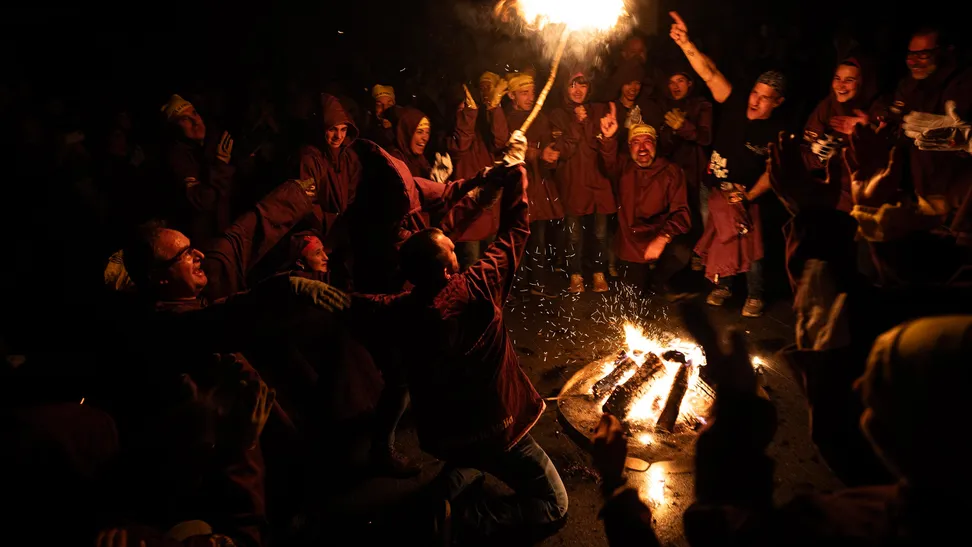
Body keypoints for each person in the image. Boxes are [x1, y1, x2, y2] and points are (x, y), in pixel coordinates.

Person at [350, 159, 568, 544]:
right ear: (449, 269)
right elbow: (516, 229)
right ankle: (467, 521)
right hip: (498, 429)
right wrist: (516, 176)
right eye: (453, 250)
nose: (457, 247)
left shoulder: (401, 308)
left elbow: (361, 304)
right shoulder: (479, 288)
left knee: (471, 460)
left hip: (445, 435)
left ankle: (441, 495)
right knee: (554, 505)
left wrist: (317, 289)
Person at [669, 11, 787, 317]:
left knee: (751, 245)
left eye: (765, 98)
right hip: (715, 189)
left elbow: (774, 172)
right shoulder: (734, 101)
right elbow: (708, 72)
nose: (755, 100)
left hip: (747, 195)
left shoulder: (777, 133)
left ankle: (756, 294)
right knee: (721, 238)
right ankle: (724, 286)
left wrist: (747, 196)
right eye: (755, 93)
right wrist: (685, 43)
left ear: (778, 102)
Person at [600, 122, 692, 298]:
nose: (642, 148)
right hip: (631, 242)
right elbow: (608, 160)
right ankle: (644, 281)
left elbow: (682, 213)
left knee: (681, 253)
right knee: (633, 296)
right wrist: (608, 138)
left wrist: (663, 237)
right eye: (636, 142)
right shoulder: (623, 168)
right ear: (629, 147)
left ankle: (657, 280)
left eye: (647, 141)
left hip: (660, 235)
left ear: (655, 144)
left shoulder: (671, 171)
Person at [550, 70, 618, 294]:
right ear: (564, 88)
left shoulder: (599, 111)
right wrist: (577, 124)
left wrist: (607, 137)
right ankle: (575, 274)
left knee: (599, 233)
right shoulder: (558, 115)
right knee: (574, 235)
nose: (577, 91)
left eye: (582, 85)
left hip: (598, 183)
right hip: (573, 184)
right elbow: (563, 152)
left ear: (590, 88)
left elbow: (608, 156)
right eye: (572, 85)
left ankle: (599, 272)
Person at [504, 72, 564, 297]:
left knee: (539, 236)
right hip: (520, 185)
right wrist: (538, 154)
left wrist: (551, 152)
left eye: (532, 92)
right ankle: (516, 284)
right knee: (518, 237)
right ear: (511, 95)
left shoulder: (540, 116)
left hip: (539, 185)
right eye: (523, 93)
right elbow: (511, 146)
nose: (530, 97)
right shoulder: (508, 118)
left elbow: (548, 141)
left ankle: (537, 282)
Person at [158, 94, 236, 247]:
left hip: (226, 235)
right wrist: (220, 164)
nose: (195, 121)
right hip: (203, 243)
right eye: (185, 119)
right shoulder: (178, 158)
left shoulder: (212, 143)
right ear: (175, 128)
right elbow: (204, 201)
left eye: (194, 113)